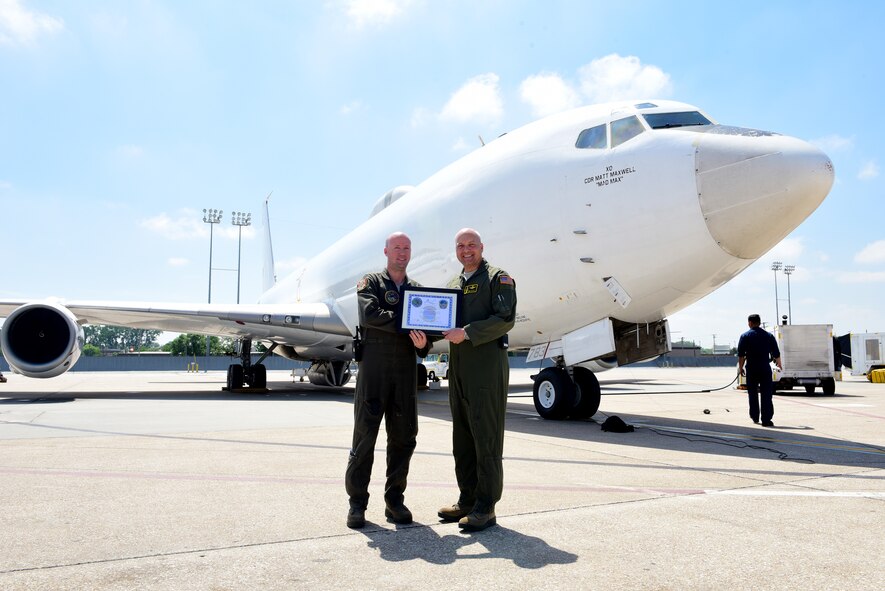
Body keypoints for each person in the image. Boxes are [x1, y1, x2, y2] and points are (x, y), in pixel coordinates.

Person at [344, 232, 430, 529]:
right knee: (365, 437)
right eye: (397, 248)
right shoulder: (371, 283)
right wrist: (407, 324)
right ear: (386, 251)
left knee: (404, 439)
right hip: (374, 372)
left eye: (407, 248)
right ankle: (357, 504)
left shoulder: (418, 291)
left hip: (405, 373)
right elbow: (370, 314)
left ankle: (394, 501)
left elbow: (427, 334)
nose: (402, 253)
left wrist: (423, 344)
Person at [439, 228, 516, 531]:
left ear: (482, 247)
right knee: (463, 439)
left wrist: (468, 332)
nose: (466, 250)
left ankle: (486, 506)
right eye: (461, 246)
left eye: (472, 245)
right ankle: (467, 499)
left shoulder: (498, 278)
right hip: (459, 370)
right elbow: (444, 324)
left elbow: (504, 318)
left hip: (486, 369)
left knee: (486, 439)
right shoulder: (453, 284)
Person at [737, 314, 782, 427]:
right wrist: (780, 364)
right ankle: (766, 420)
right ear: (759, 322)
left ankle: (755, 416)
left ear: (750, 323)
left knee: (752, 393)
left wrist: (741, 368)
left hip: (751, 369)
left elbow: (741, 355)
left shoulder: (745, 336)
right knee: (766, 394)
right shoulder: (768, 336)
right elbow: (776, 353)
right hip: (764, 368)